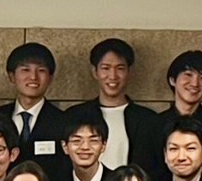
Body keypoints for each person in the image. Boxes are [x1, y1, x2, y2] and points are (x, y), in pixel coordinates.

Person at [64, 38, 157, 173]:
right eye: (106, 68)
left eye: (120, 68)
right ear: (95, 71)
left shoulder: (148, 119)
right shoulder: (74, 115)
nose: (113, 76)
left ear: (129, 72)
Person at [0, 41, 70, 164]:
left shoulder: (64, 121)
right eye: (25, 70)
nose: (33, 77)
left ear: (50, 78)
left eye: (41, 70)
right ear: (11, 76)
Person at [52, 115, 113, 181]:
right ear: (64, 146)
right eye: (76, 141)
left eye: (93, 141)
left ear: (103, 146)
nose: (85, 147)